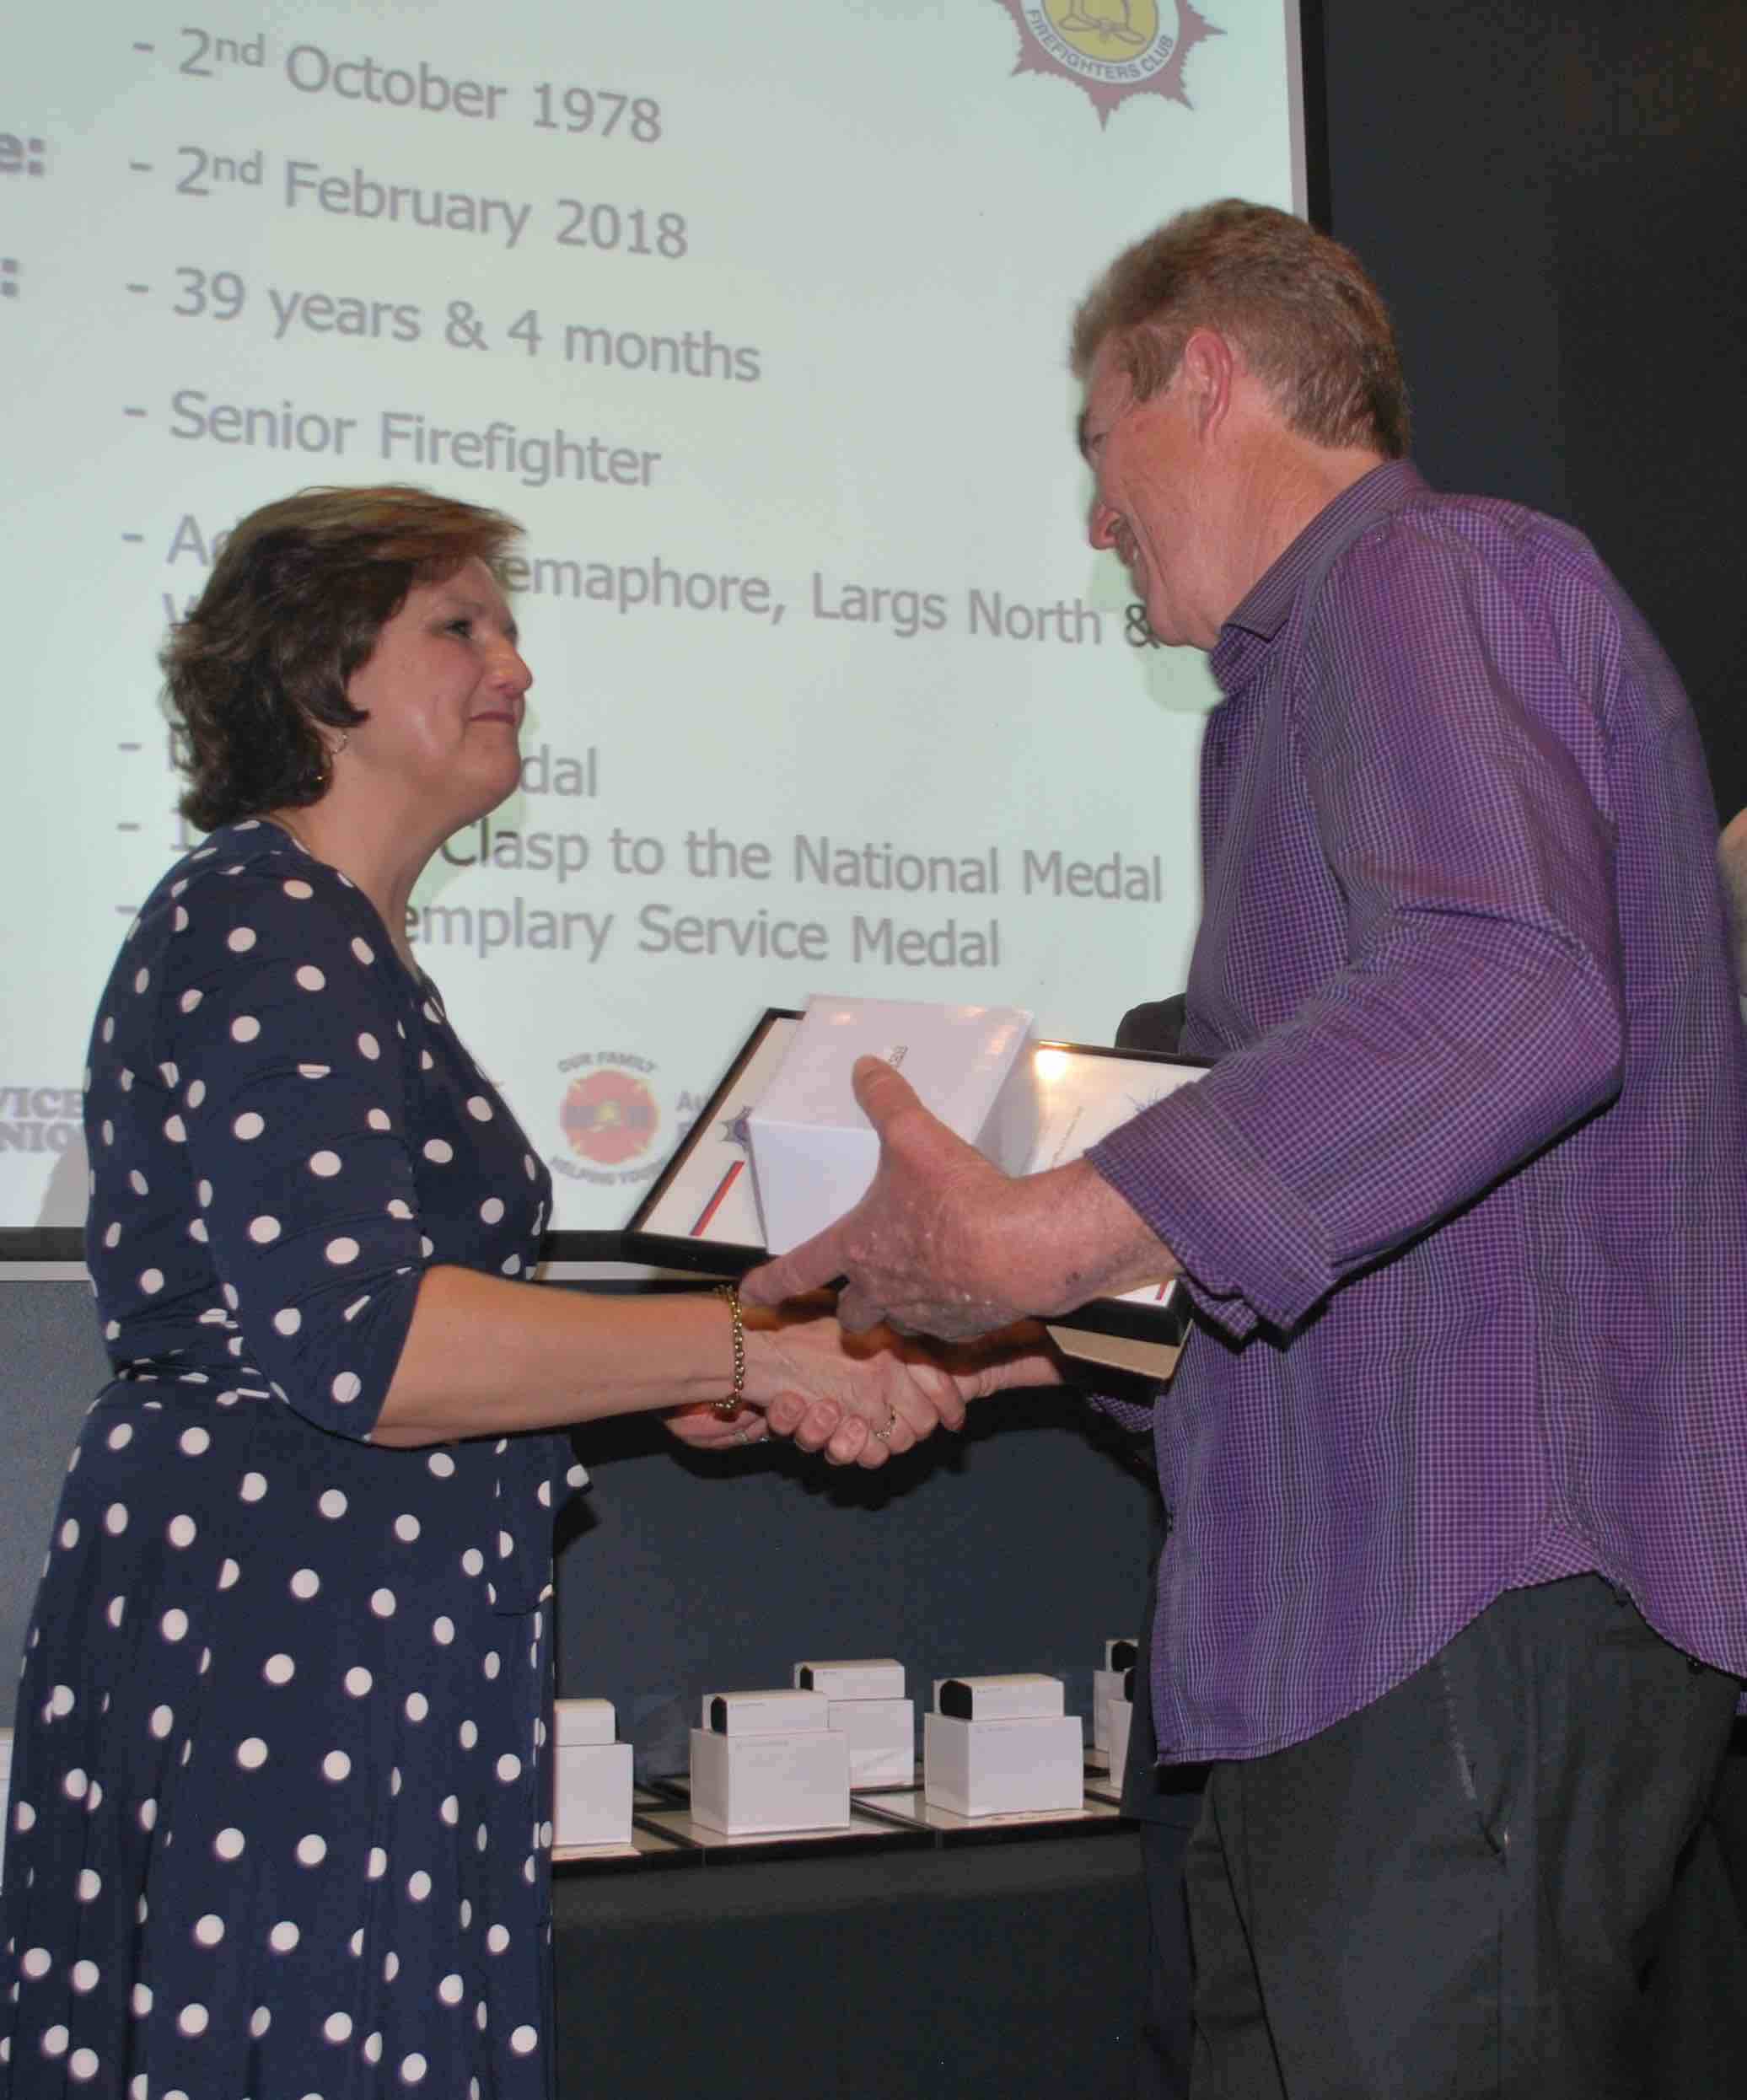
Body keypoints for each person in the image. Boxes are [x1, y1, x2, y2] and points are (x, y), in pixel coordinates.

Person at [745, 201, 1747, 2096]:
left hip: (1460, 1589)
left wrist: (1047, 1233)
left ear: (1203, 377)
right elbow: (1366, 1220)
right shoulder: (1322, 673)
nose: (1093, 522)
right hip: (1357, 1623)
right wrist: (988, 1330)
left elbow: (1512, 991)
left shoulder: (1420, 577)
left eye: (1096, 445)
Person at [0, 484, 1050, 2099]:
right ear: (319, 672)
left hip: (353, 1637)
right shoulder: (268, 920)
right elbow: (371, 1345)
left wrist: (692, 1370)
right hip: (286, 1648)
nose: (517, 668)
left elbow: (405, 1328)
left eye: (507, 627)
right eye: (460, 627)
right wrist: (751, 1352)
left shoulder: (334, 939)